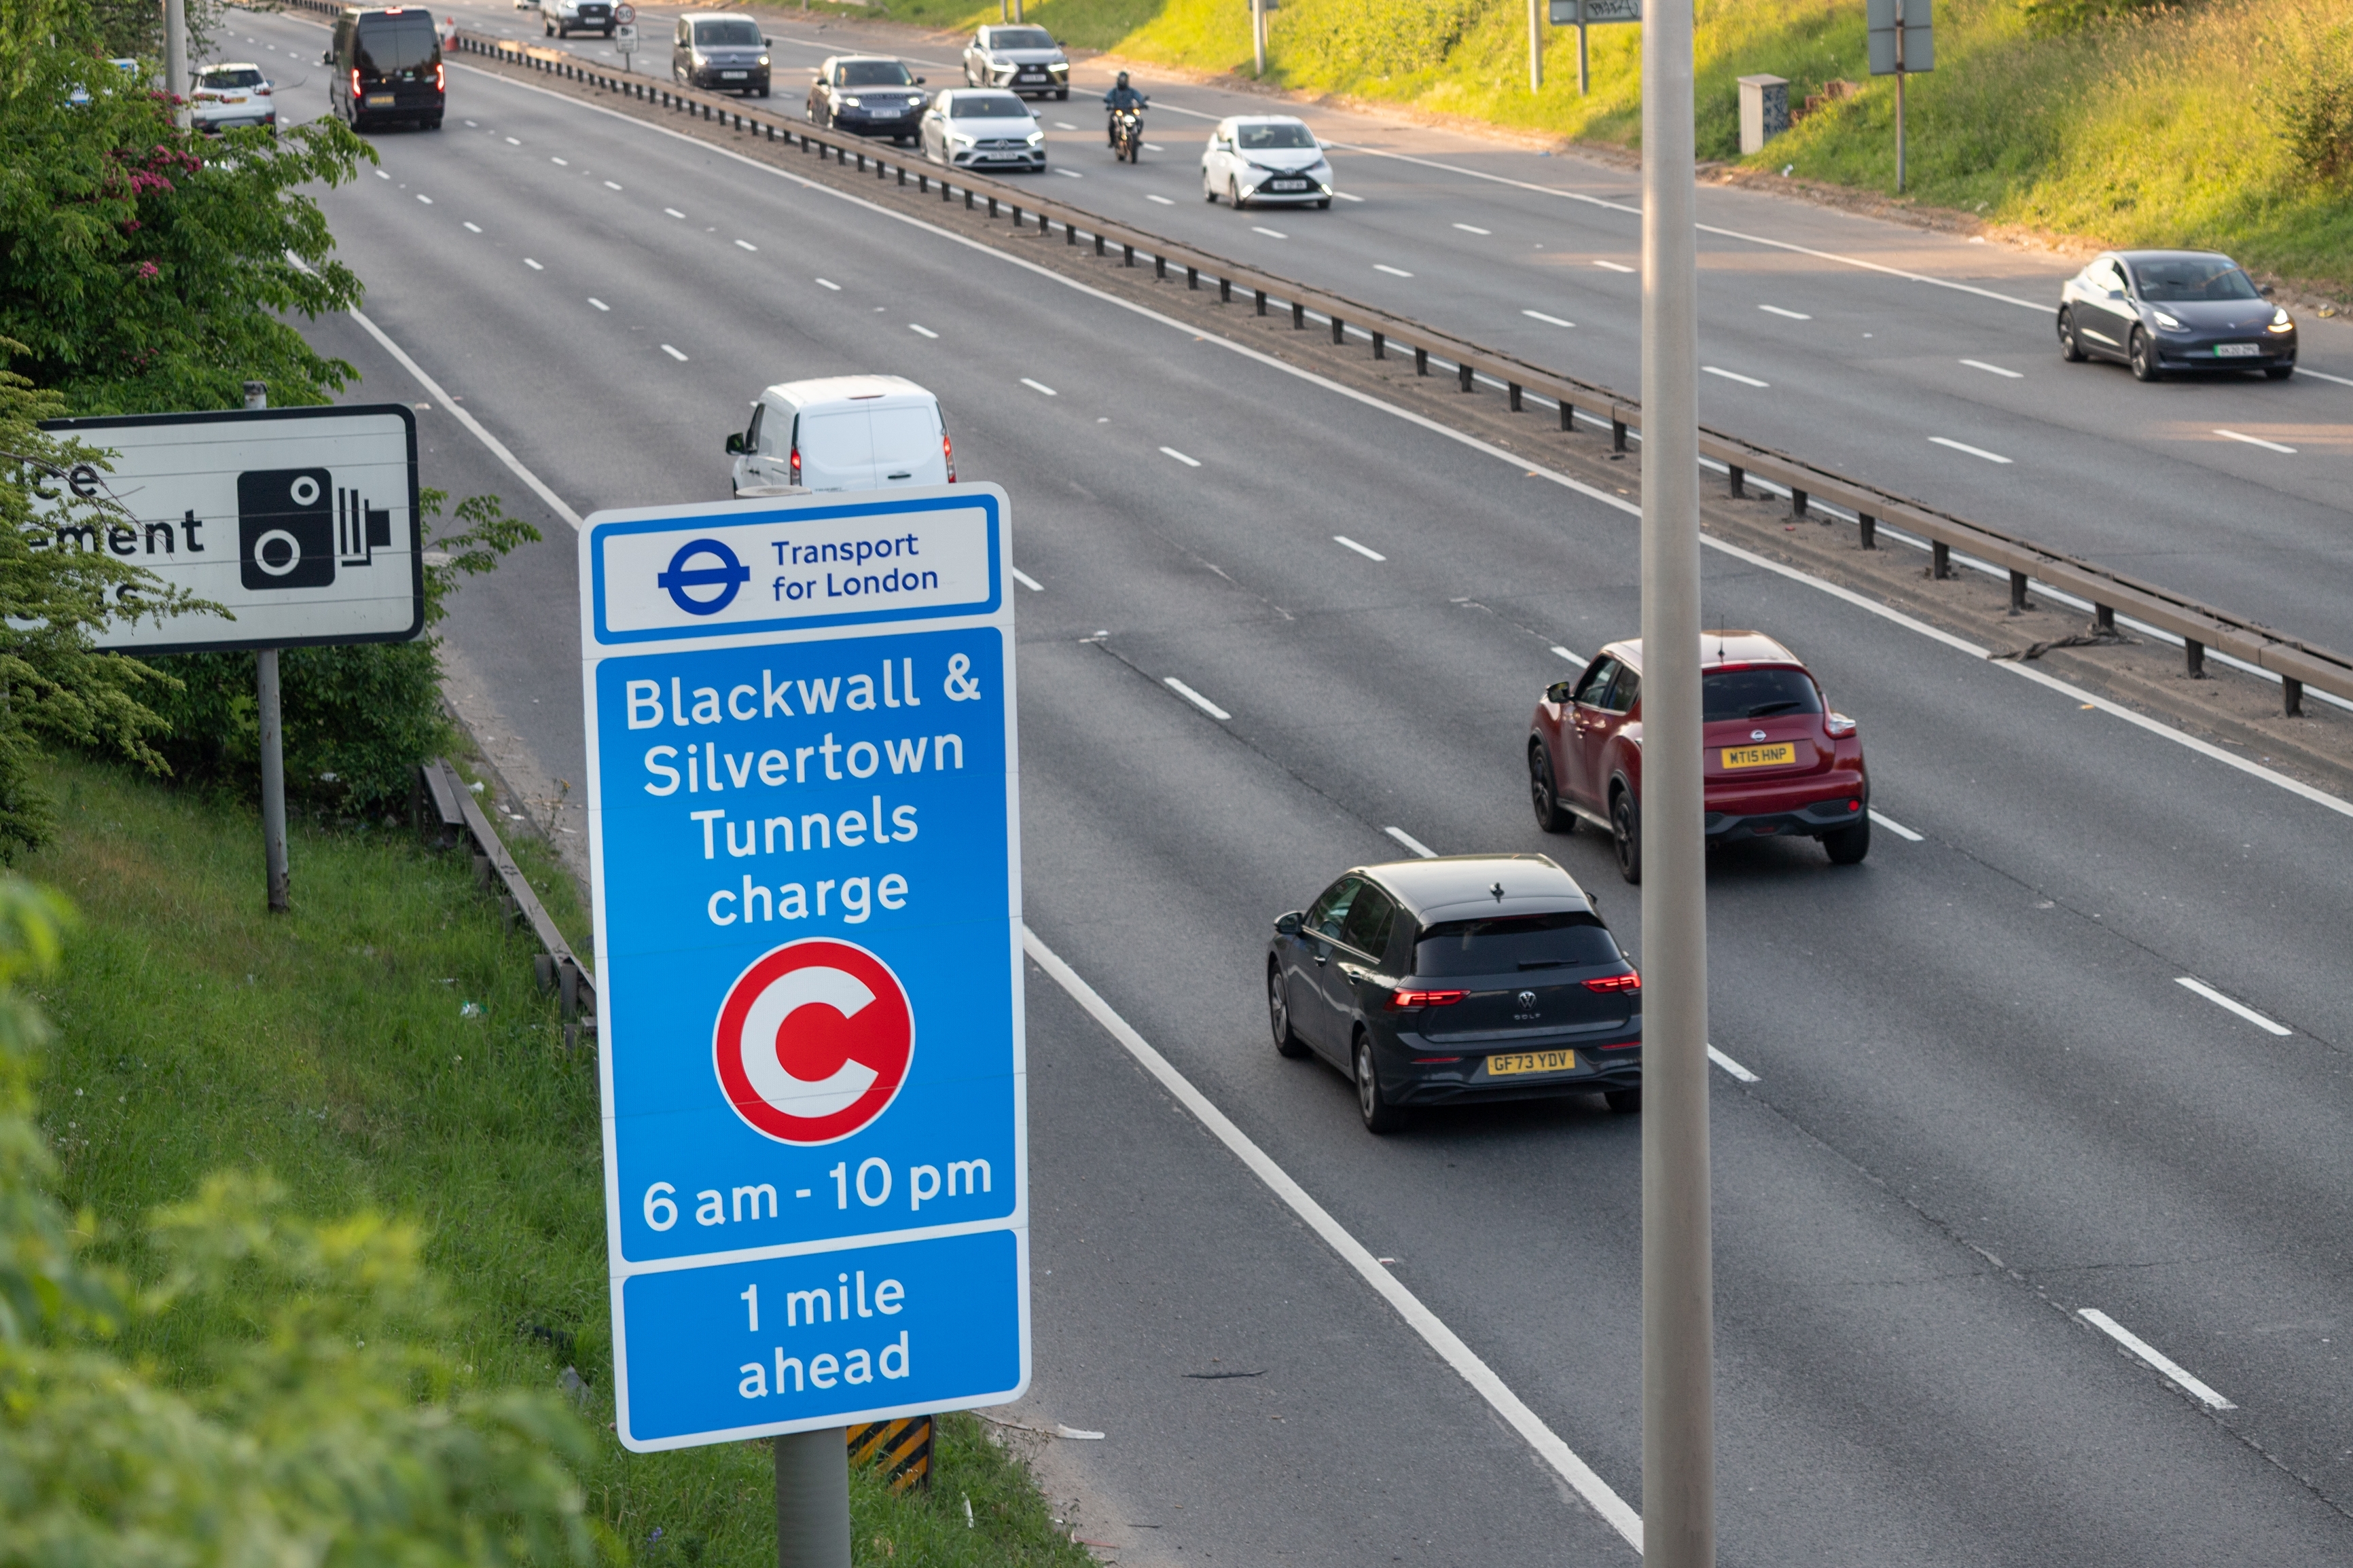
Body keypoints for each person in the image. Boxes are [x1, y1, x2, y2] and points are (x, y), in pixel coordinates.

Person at [1102, 71, 1147, 147]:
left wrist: (1142, 103)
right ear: (1118, 80)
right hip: (1117, 110)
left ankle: (1136, 138)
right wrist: (1109, 105)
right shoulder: (1114, 91)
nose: (1123, 81)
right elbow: (1108, 98)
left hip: (1129, 111)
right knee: (1111, 123)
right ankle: (1112, 141)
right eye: (1121, 79)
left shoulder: (1132, 91)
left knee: (1140, 121)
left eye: (1124, 80)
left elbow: (1139, 97)